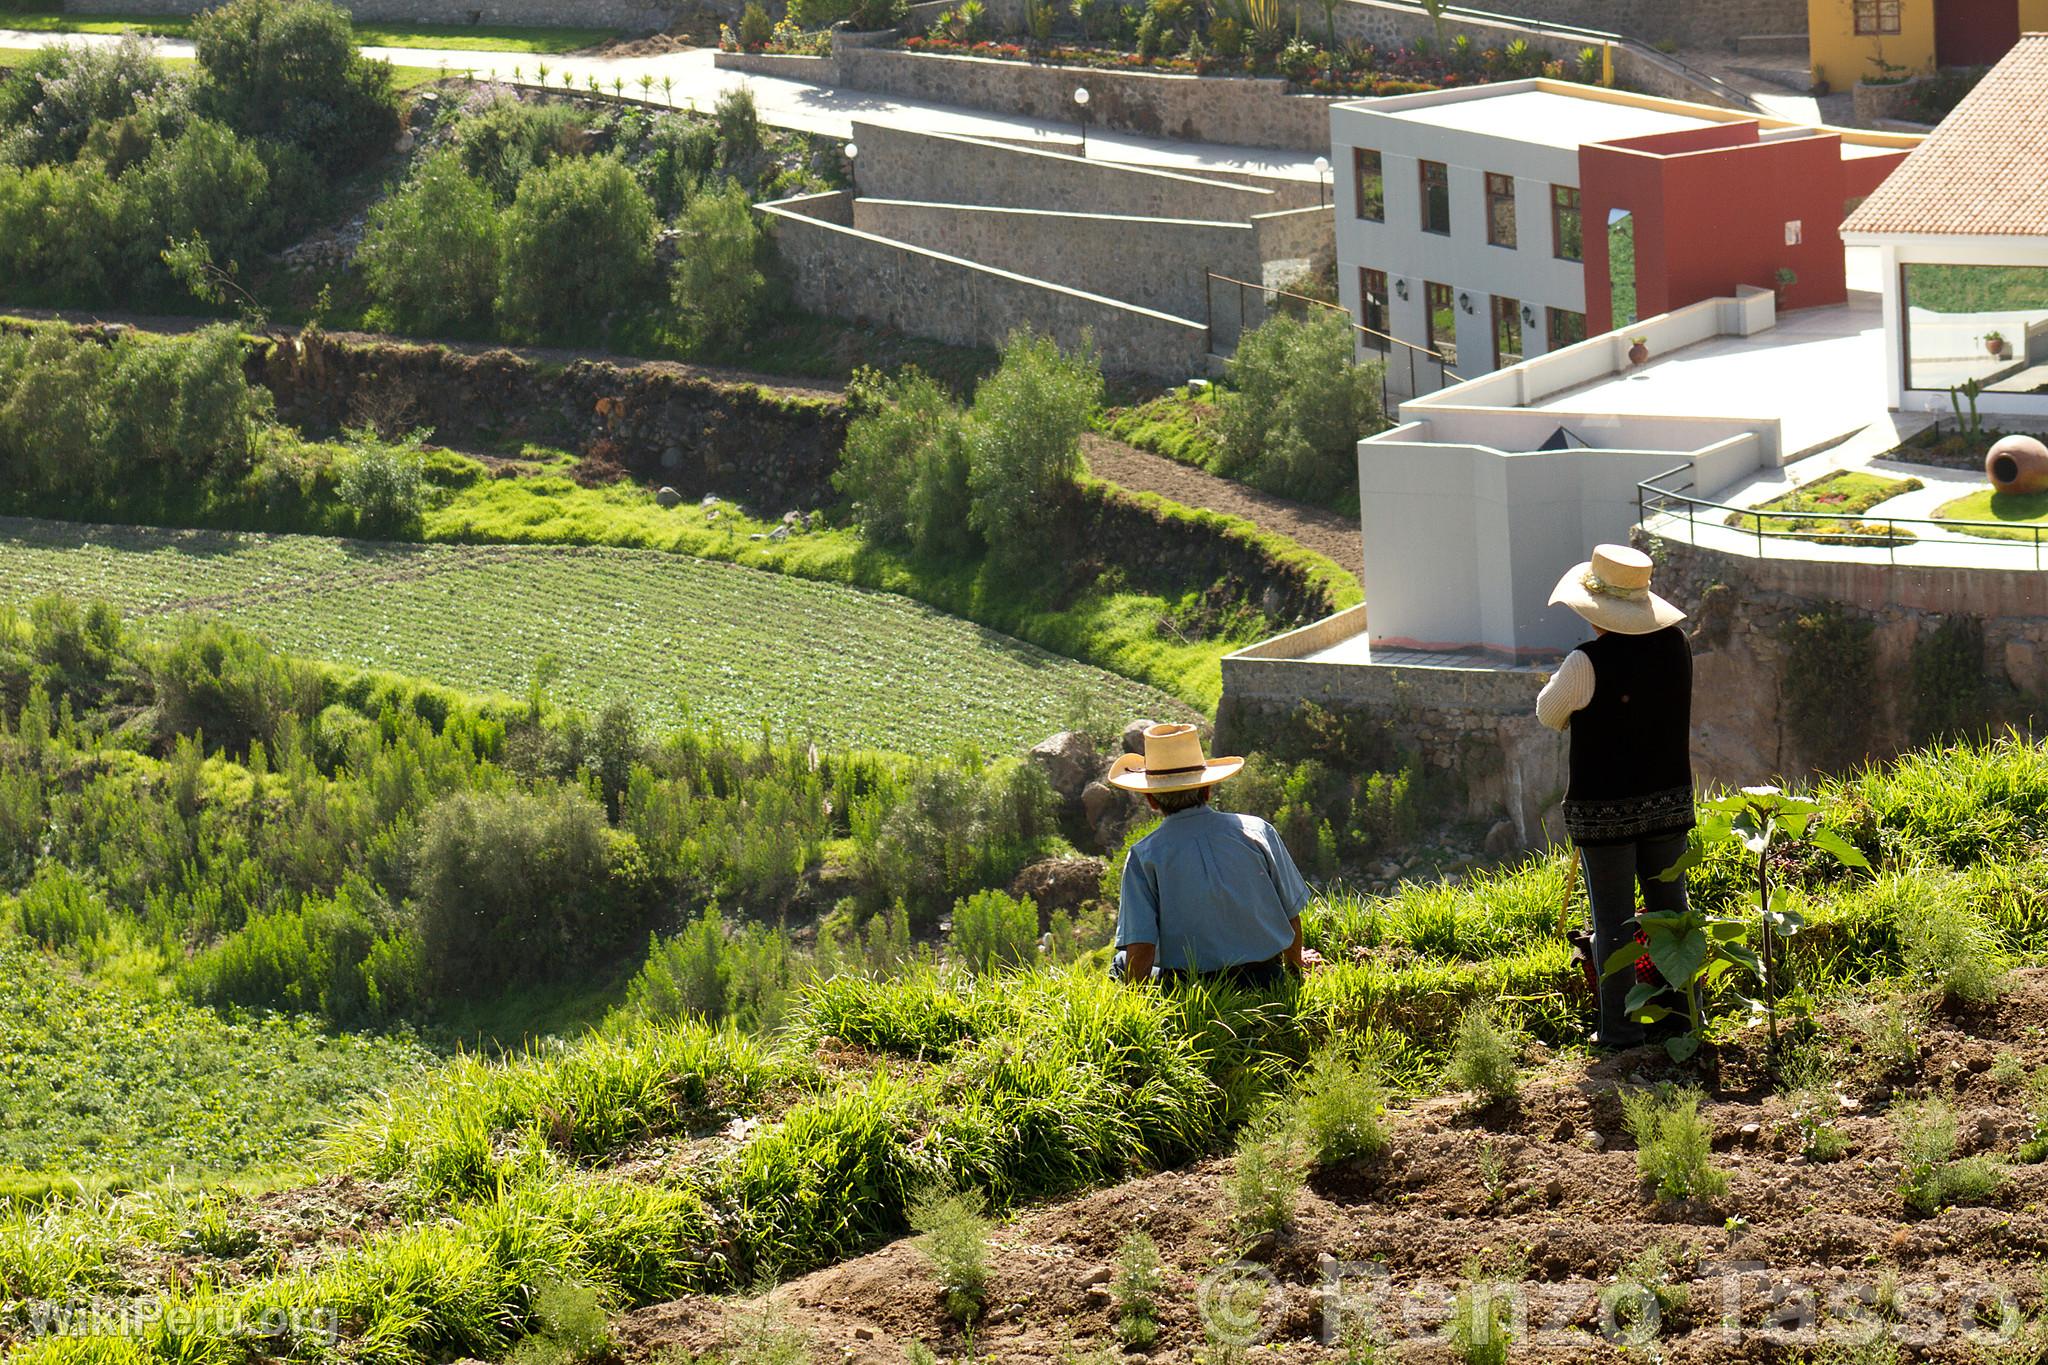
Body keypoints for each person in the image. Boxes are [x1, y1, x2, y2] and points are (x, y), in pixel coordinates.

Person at [1535, 543, 1695, 1050]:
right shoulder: (1677, 645)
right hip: (1668, 799)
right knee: (1672, 912)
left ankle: (1621, 1028)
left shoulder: (1586, 662)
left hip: (1604, 812)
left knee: (1614, 921)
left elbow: (1549, 713)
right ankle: (1683, 1016)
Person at [1107, 722, 1310, 988]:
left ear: (1151, 800)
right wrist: (1294, 974)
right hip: (1266, 977)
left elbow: (1141, 948)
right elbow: (1291, 915)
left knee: (1120, 963)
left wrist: (1136, 1005)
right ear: (1207, 789)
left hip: (1190, 986)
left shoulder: (1144, 856)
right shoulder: (1259, 831)